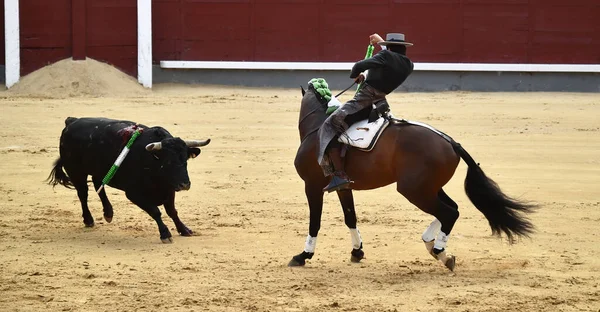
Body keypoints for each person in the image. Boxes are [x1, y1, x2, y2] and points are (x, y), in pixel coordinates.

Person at [318, 33, 414, 193]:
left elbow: (358, 65)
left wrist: (356, 75)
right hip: (379, 103)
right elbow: (388, 65)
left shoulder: (385, 55)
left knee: (330, 123)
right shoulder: (409, 65)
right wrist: (368, 75)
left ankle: (339, 175)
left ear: (389, 47)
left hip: (364, 99)